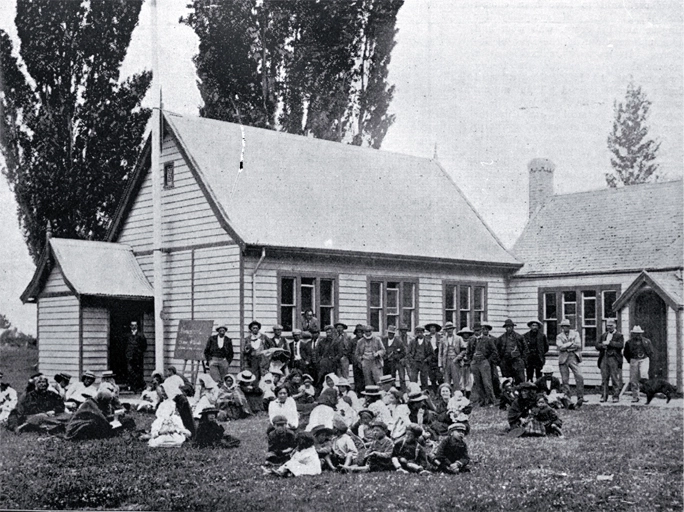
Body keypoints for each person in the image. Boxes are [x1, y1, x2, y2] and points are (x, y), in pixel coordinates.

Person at [467, 323, 498, 407]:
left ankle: (491, 401)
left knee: (487, 382)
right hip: (474, 363)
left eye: (478, 330)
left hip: (484, 362)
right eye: (475, 331)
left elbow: (494, 352)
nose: (476, 332)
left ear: (481, 330)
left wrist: (488, 360)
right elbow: (468, 352)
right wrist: (471, 361)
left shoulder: (487, 339)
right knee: (478, 382)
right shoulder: (471, 340)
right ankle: (482, 400)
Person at [556, 318, 585, 408]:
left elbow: (578, 345)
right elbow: (560, 347)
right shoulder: (559, 336)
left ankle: (580, 397)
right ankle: (567, 399)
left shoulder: (575, 334)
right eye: (563, 326)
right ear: (561, 327)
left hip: (573, 357)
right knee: (565, 380)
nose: (565, 328)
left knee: (579, 376)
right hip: (563, 359)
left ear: (569, 326)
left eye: (567, 326)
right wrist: (570, 344)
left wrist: (567, 346)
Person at [596, 319, 625, 403]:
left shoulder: (619, 335)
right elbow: (597, 345)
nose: (609, 327)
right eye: (608, 325)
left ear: (615, 325)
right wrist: (602, 345)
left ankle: (615, 396)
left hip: (613, 358)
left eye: (611, 325)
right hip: (604, 358)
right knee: (604, 378)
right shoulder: (603, 335)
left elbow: (620, 345)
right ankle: (604, 396)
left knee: (614, 378)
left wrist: (610, 343)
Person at [624, 325, 653, 404]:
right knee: (634, 379)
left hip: (644, 359)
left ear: (641, 334)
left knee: (644, 376)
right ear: (633, 334)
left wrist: (646, 358)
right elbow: (626, 353)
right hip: (634, 360)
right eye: (636, 333)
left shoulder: (646, 341)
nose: (637, 335)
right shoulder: (629, 342)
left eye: (639, 333)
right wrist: (631, 361)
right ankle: (635, 397)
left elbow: (651, 352)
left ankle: (648, 395)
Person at [497, 319, 527, 385]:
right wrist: (500, 361)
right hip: (505, 361)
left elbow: (525, 349)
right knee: (507, 380)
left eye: (510, 327)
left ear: (513, 327)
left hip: (517, 360)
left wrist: (523, 360)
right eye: (507, 327)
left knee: (520, 379)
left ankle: (520, 394)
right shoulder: (501, 338)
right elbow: (497, 351)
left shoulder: (519, 337)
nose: (508, 329)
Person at [438, 322, 465, 391]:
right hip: (446, 361)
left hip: (455, 361)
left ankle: (458, 396)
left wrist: (458, 357)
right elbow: (440, 353)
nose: (449, 330)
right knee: (447, 381)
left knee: (456, 380)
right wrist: (440, 365)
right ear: (446, 330)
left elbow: (464, 350)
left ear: (453, 329)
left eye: (451, 329)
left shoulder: (459, 338)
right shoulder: (442, 339)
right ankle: (447, 397)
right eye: (448, 329)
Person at [382, 325, 408, 392]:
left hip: (395, 362)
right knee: (386, 377)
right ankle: (387, 391)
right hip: (386, 362)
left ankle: (401, 392)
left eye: (392, 333)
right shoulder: (383, 340)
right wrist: (384, 356)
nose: (390, 335)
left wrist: (397, 356)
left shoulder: (399, 342)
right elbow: (381, 349)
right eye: (389, 333)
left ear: (394, 334)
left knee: (397, 377)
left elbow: (404, 352)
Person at [125, 320, 147, 392]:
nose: (133, 326)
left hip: (138, 357)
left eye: (135, 325)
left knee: (138, 371)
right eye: (132, 325)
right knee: (130, 371)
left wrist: (140, 352)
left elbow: (144, 345)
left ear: (137, 326)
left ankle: (137, 387)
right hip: (130, 356)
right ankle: (130, 385)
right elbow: (124, 345)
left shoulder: (140, 335)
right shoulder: (128, 335)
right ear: (130, 326)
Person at [424, 323, 443, 392]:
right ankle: (435, 392)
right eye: (431, 328)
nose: (432, 329)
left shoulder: (440, 337)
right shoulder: (426, 338)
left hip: (438, 358)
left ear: (436, 329)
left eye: (434, 327)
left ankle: (441, 392)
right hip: (430, 359)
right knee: (432, 377)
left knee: (440, 377)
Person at [350, 324, 365, 394]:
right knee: (357, 378)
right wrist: (354, 359)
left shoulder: (365, 341)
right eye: (358, 332)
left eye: (361, 332)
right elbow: (349, 352)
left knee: (364, 377)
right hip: (355, 362)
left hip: (364, 361)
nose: (359, 334)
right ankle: (358, 391)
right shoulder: (353, 341)